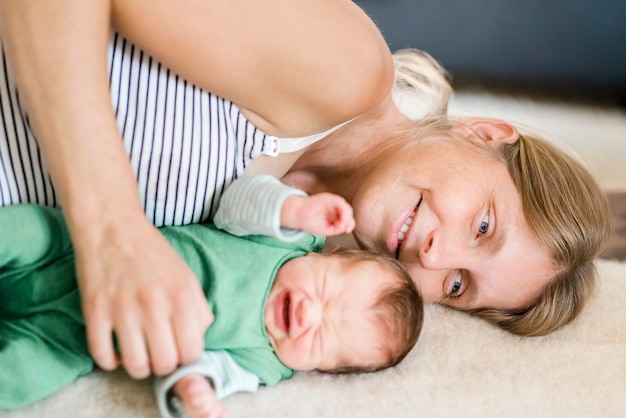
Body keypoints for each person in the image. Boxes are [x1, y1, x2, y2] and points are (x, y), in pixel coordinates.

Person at [0, 0, 611, 381]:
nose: (437, 256)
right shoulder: (347, 70)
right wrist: (112, 230)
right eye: (483, 226)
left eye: (457, 286)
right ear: (485, 133)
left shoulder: (290, 269)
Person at [0, 196, 422, 413]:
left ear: (322, 370)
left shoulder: (265, 363)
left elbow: (210, 369)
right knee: (19, 230)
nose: (309, 314)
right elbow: (236, 205)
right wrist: (293, 208)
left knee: (19, 380)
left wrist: (194, 390)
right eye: (327, 288)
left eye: (322, 339)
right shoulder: (284, 239)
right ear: (327, 254)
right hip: (72, 246)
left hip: (71, 337)